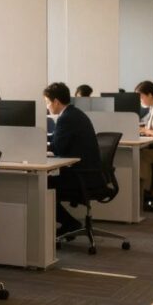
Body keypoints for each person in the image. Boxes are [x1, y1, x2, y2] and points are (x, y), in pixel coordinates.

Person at [44, 82, 101, 233]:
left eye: (47, 102)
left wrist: (41, 147)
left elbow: (58, 148)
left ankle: (69, 223)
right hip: (88, 173)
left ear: (56, 101)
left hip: (80, 176)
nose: (47, 106)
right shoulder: (74, 113)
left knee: (42, 186)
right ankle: (68, 223)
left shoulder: (66, 118)